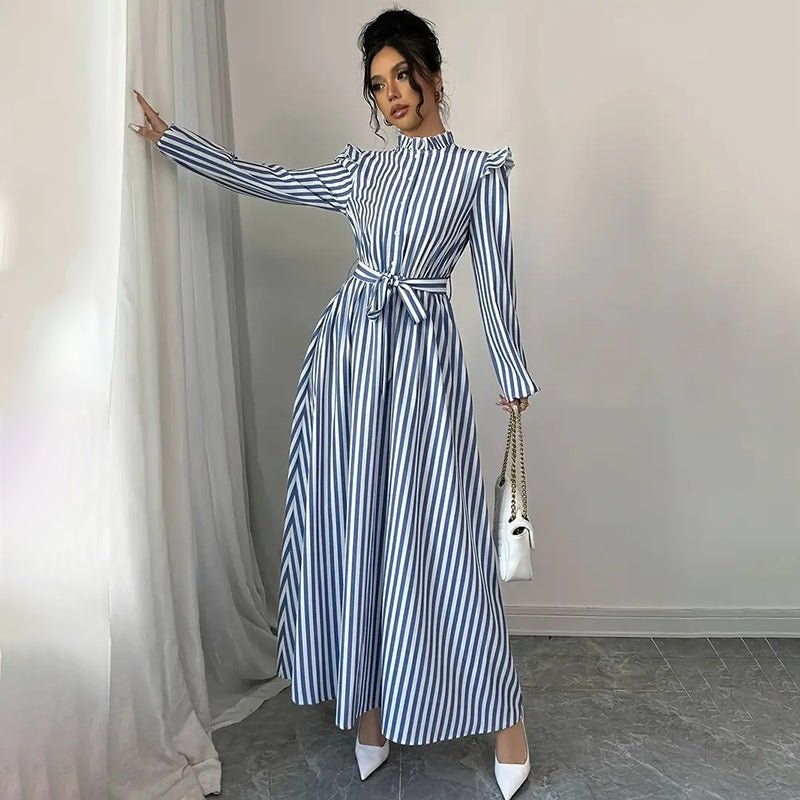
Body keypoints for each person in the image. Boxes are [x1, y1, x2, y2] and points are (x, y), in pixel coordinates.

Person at [130, 7, 539, 798]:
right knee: (356, 533)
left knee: (445, 543)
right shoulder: (362, 171)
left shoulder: (475, 174)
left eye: (402, 76)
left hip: (422, 371)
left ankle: (507, 720)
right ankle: (371, 713)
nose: (390, 94)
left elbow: (496, 287)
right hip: (348, 367)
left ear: (435, 77)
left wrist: (514, 377)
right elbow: (269, 181)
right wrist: (173, 140)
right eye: (377, 84)